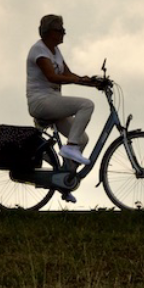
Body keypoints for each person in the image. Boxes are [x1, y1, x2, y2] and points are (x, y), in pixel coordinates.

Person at [26, 14, 102, 175]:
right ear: (49, 32)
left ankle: (65, 179)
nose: (64, 33)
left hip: (53, 101)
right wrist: (77, 79)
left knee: (83, 139)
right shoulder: (39, 50)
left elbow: (68, 74)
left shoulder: (55, 51)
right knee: (86, 105)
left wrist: (90, 82)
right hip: (41, 102)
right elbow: (52, 76)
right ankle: (71, 147)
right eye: (60, 30)